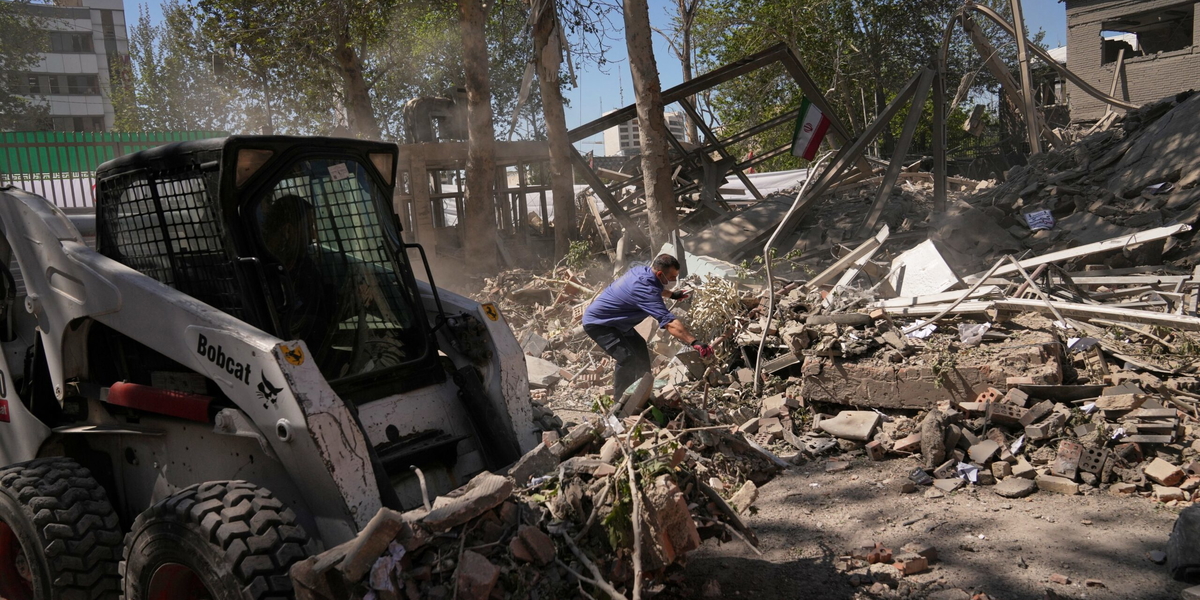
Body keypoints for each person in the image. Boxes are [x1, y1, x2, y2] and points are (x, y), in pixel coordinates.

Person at [583, 254, 713, 396]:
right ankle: (620, 405)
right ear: (659, 273)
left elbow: (655, 287)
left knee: (640, 350)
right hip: (599, 324)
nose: (674, 280)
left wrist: (672, 295)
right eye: (671, 277)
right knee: (627, 359)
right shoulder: (646, 291)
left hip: (616, 322)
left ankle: (642, 392)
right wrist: (695, 342)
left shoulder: (642, 271)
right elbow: (669, 322)